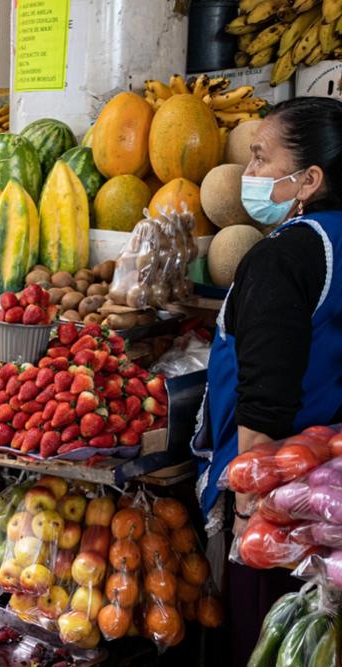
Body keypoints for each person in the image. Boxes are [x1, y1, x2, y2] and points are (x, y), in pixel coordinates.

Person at [193, 96, 342, 666]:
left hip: (283, 495)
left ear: (309, 179)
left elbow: (268, 390)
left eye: (260, 159)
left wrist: (252, 505)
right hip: (325, 486)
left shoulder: (284, 255)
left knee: (269, 637)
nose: (249, 175)